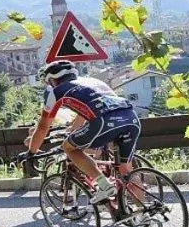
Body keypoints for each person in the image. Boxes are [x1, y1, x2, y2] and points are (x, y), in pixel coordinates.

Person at [24, 60, 142, 204]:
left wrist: (31, 153)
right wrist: (75, 128)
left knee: (68, 148)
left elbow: (43, 128)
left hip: (105, 120)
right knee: (126, 171)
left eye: (49, 83)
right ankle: (143, 212)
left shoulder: (56, 91)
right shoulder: (91, 82)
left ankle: (104, 186)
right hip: (131, 117)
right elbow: (86, 110)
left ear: (53, 80)